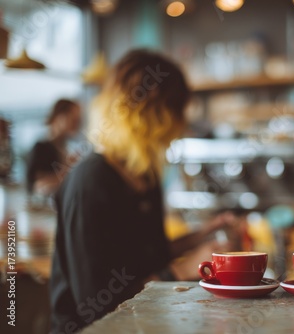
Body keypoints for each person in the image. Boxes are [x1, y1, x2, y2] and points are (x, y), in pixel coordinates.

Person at [49, 49, 235, 333]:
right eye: (177, 111)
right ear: (153, 113)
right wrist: (183, 270)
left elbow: (151, 255)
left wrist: (203, 234)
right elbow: (96, 305)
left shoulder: (145, 175)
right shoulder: (91, 181)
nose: (182, 124)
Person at [26, 99, 81, 196]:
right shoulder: (41, 148)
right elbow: (37, 187)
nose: (76, 125)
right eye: (73, 119)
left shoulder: (66, 148)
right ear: (59, 116)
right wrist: (68, 169)